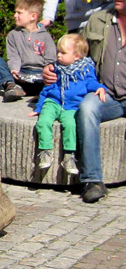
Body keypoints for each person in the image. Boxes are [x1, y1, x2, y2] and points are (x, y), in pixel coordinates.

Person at [68, 0, 126, 203]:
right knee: (87, 108)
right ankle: (92, 180)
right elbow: (77, 51)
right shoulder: (99, 19)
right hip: (106, 93)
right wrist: (54, 68)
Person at [29, 33, 105, 176]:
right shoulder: (56, 69)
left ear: (77, 56)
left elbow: (90, 82)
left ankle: (69, 156)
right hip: (54, 101)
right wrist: (39, 107)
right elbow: (47, 89)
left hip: (73, 105)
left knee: (71, 126)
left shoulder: (85, 69)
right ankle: (45, 151)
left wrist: (100, 88)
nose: (58, 56)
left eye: (63, 53)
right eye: (58, 52)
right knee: (43, 121)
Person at [0, 0, 56, 102]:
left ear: (33, 16)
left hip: (40, 76)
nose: (15, 15)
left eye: (19, 13)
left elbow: (51, 60)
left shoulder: (45, 36)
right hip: (21, 75)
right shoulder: (13, 35)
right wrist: (14, 70)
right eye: (15, 12)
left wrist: (47, 73)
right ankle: (12, 87)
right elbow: (13, 56)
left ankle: (45, 92)